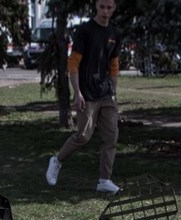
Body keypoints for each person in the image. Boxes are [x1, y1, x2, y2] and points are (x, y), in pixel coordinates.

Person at [45, 0, 122, 194]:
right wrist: (77, 92)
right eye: (102, 7)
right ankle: (57, 160)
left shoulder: (115, 34)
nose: (105, 11)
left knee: (111, 136)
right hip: (86, 93)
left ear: (114, 9)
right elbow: (73, 64)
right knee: (83, 136)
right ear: (96, 6)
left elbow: (113, 65)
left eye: (109, 7)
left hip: (106, 93)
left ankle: (104, 180)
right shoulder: (85, 31)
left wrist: (113, 91)